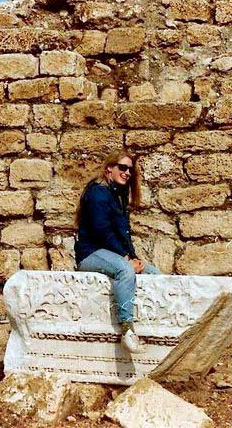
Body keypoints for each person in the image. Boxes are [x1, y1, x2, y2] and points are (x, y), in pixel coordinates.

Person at [74, 149, 161, 354]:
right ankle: (127, 330)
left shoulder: (118, 196)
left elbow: (124, 234)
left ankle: (154, 327)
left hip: (112, 254)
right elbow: (101, 230)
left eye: (130, 170)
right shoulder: (98, 192)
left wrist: (135, 258)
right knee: (125, 270)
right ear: (109, 169)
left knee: (153, 272)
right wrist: (125, 259)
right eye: (122, 167)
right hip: (90, 253)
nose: (127, 173)